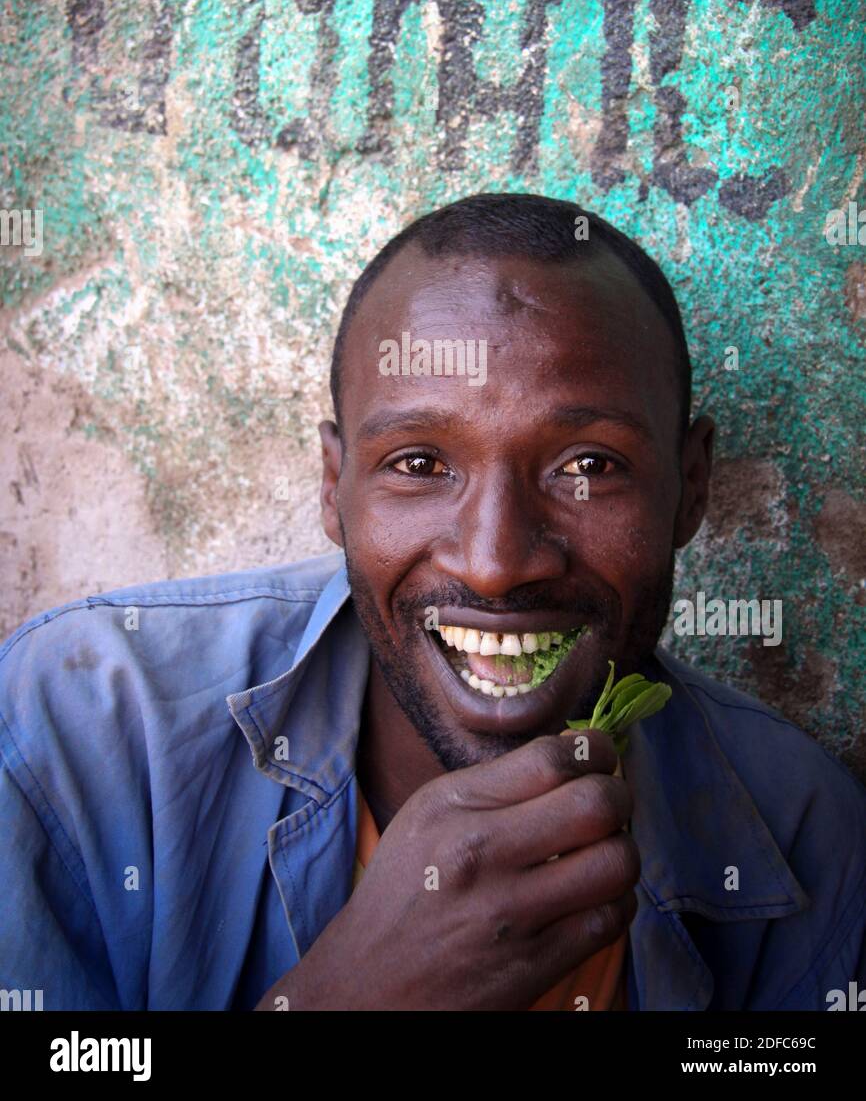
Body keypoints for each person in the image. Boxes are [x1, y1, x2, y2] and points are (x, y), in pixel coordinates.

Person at [1, 192, 864, 1011]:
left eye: (589, 466)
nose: (495, 564)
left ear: (692, 487)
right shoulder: (82, 730)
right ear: (335, 484)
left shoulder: (802, 834)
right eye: (419, 464)